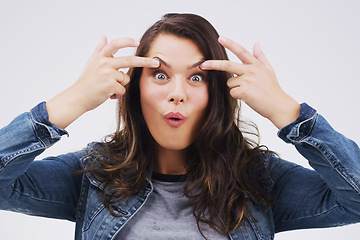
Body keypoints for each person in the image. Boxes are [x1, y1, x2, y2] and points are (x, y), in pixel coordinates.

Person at [0, 13, 359, 240]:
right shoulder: (94, 176)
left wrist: (289, 111)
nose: (177, 94)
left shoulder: (259, 180)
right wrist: (70, 101)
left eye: (197, 78)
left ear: (218, 91)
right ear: (134, 87)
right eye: (159, 74)